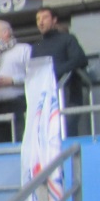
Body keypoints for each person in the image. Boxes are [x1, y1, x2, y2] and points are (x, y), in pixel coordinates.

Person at [30, 7, 88, 135]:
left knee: (67, 130)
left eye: (45, 17)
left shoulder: (68, 39)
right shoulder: (36, 46)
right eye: (38, 19)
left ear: (54, 20)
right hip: (45, 99)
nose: (41, 22)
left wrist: (56, 70)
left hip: (69, 94)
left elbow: (80, 59)